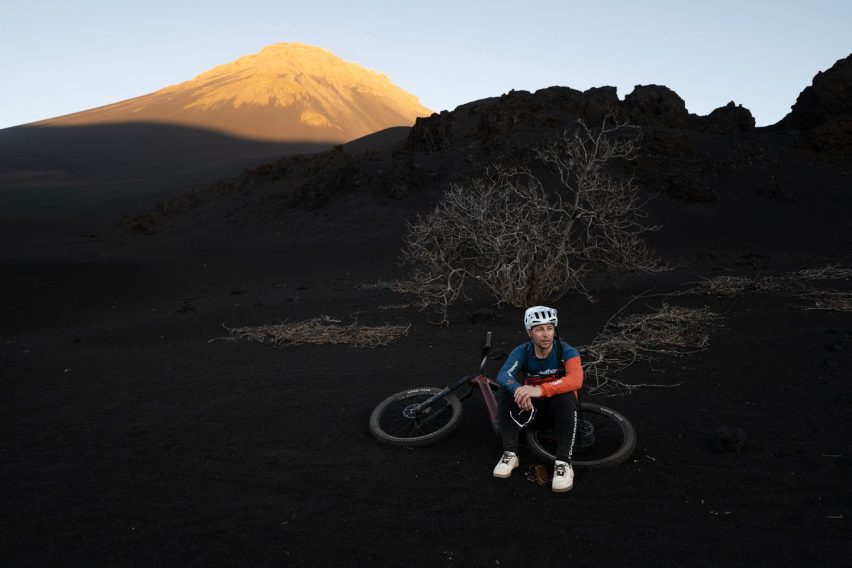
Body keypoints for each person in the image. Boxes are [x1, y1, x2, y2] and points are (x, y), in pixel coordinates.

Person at [492, 306, 583, 492]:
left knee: (566, 394)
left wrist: (540, 390)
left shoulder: (567, 351)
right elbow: (504, 375)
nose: (546, 334)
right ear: (529, 333)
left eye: (550, 328)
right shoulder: (522, 351)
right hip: (531, 410)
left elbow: (576, 380)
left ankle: (563, 463)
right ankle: (510, 453)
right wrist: (519, 390)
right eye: (540, 329)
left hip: (559, 411)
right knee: (506, 391)